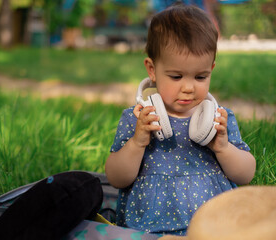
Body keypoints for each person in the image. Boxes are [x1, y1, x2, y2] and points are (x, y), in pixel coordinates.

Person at [105, 4, 256, 236]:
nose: (188, 87)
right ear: (152, 70)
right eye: (176, 76)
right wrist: (137, 143)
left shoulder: (216, 119)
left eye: (201, 76)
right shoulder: (138, 118)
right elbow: (116, 178)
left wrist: (224, 148)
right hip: (150, 226)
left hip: (212, 225)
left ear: (211, 70)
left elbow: (246, 175)